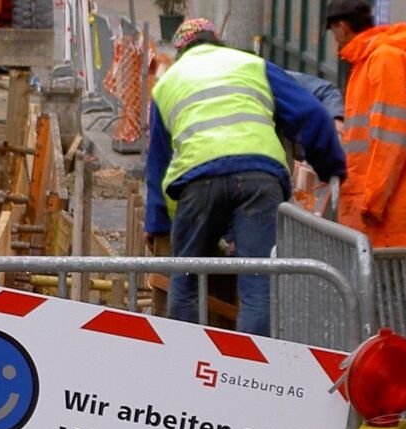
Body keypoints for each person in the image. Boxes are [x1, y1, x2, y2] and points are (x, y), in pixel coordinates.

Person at [146, 18, 346, 336]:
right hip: (259, 179)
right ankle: (251, 375)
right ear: (218, 41)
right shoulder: (251, 65)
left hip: (197, 182)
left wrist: (157, 226)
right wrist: (331, 166)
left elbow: (158, 165)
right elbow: (313, 113)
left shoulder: (168, 83)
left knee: (184, 284)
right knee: (258, 288)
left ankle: (182, 368)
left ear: (181, 52)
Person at [326, 0, 406, 248]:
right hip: (380, 207)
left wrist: (373, 202)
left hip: (386, 211)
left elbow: (391, 139)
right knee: (380, 284)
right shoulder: (370, 61)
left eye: (333, 31)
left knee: (385, 285)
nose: (335, 40)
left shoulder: (382, 60)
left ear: (341, 27)